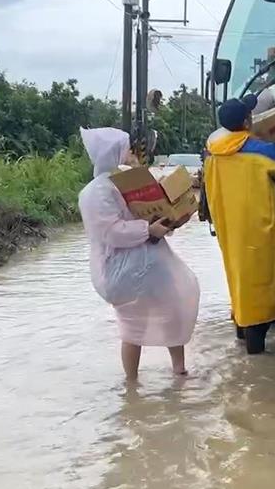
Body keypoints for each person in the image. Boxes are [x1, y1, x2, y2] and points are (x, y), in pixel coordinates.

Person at [77, 127, 200, 379]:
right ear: (115, 153)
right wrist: (149, 230)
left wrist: (171, 218)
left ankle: (161, 377)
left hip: (143, 260)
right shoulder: (95, 192)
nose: (132, 154)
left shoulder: (124, 181)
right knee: (137, 323)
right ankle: (139, 380)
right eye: (128, 149)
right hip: (123, 268)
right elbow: (111, 232)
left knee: (169, 307)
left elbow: (146, 211)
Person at [203, 95, 275, 354]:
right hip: (257, 229)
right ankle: (255, 349)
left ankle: (241, 335)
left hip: (228, 228)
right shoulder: (258, 150)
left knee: (237, 278)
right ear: (247, 121)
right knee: (260, 283)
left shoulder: (212, 149)